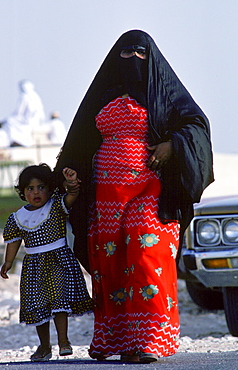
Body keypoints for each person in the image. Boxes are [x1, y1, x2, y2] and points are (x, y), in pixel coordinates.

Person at [54, 30, 214, 363]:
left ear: (151, 57)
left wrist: (173, 146)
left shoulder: (164, 92)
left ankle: (151, 338)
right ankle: (119, 339)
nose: (133, 60)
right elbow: (79, 142)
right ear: (115, 58)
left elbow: (196, 124)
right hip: (107, 195)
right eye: (126, 54)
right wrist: (70, 171)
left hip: (152, 189)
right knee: (111, 263)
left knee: (146, 253)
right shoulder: (103, 94)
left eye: (140, 53)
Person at [0, 163, 92, 362]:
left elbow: (72, 196)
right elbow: (14, 241)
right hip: (34, 266)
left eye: (41, 187)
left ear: (50, 189)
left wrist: (72, 184)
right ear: (23, 192)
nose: (36, 192)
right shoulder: (18, 218)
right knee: (38, 306)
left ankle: (64, 341)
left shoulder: (56, 205)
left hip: (59, 261)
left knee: (60, 301)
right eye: (30, 188)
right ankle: (44, 346)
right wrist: (8, 262)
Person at [0, 80, 46, 148]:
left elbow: (19, 112)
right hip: (35, 121)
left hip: (27, 121)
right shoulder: (35, 96)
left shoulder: (24, 96)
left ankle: (14, 141)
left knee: (9, 121)